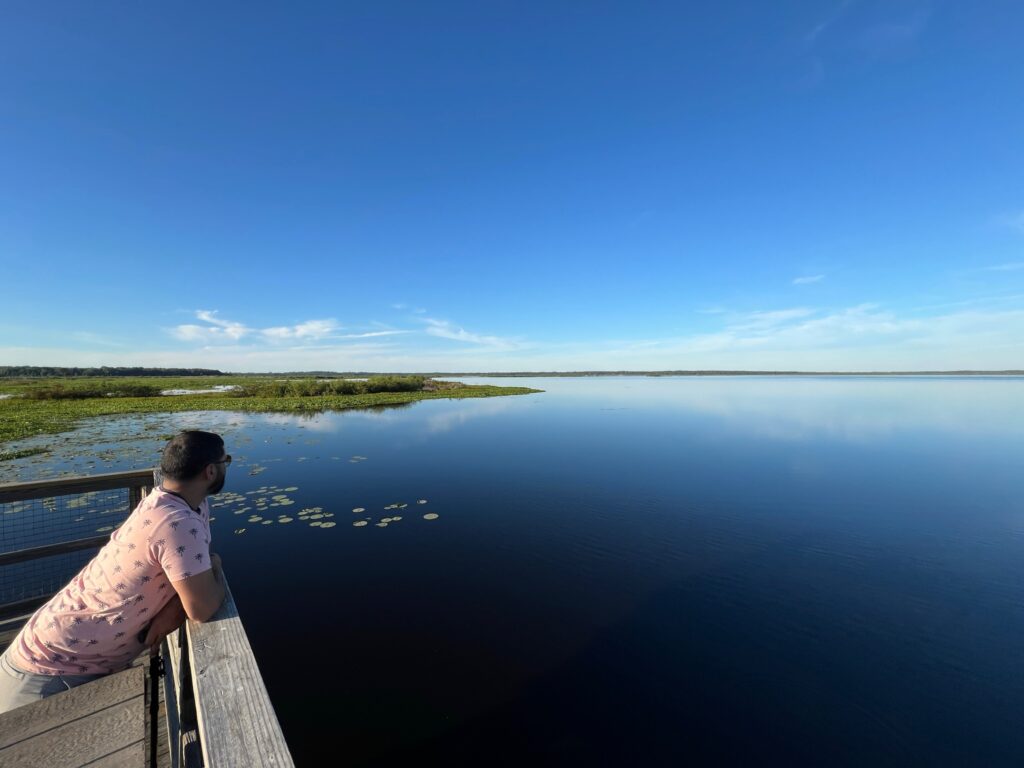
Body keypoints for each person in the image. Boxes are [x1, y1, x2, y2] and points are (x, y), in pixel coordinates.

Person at [0, 430, 230, 714]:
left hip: (62, 648)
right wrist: (216, 564)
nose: (226, 467)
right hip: (51, 673)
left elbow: (187, 576)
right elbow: (202, 608)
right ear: (210, 471)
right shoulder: (178, 523)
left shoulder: (168, 500)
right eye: (225, 461)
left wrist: (175, 604)